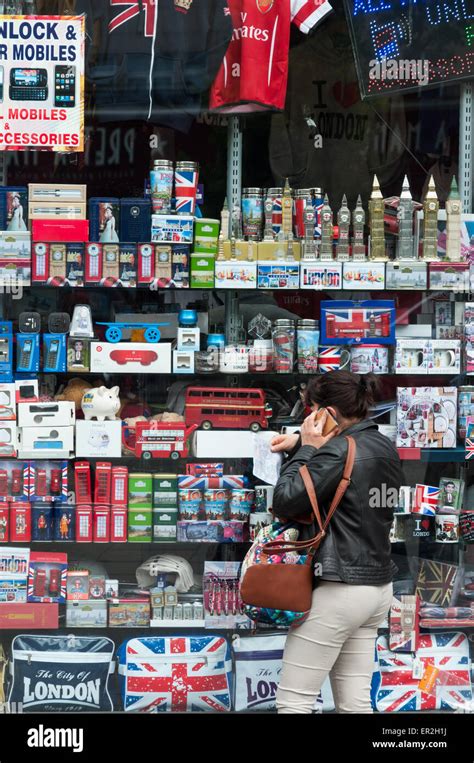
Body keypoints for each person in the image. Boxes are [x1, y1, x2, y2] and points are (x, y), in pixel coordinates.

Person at [270, 370, 402, 714]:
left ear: (327, 413)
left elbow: (285, 499)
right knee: (355, 703)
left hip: (339, 588)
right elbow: (350, 480)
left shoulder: (337, 450)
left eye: (310, 410)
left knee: (294, 702)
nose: (306, 418)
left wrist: (306, 450)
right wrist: (303, 444)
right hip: (376, 589)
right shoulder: (383, 446)